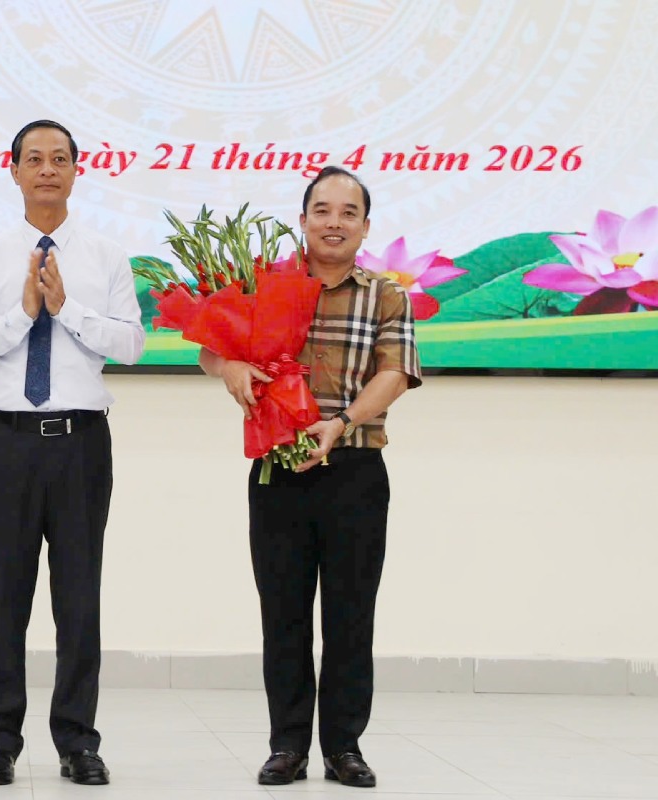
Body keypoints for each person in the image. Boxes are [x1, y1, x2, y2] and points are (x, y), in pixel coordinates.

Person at [200, 166, 421, 789]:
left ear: (365, 226)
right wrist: (231, 367)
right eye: (321, 210)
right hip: (279, 471)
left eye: (347, 212)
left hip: (353, 467)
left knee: (351, 614)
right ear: (302, 220)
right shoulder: (263, 284)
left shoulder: (385, 294)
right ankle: (287, 745)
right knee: (284, 613)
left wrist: (342, 422)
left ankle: (344, 747)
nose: (333, 222)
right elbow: (209, 346)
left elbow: (396, 373)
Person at [0, 119, 145, 787]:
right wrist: (21, 314)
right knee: (3, 594)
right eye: (34, 159)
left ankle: (77, 741)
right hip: (6, 441)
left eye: (59, 159)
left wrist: (66, 310)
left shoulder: (105, 255)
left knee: (78, 597)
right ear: (13, 171)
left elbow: (130, 346)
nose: (47, 170)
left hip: (81, 444)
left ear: (75, 170)